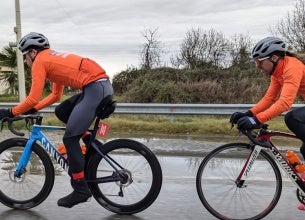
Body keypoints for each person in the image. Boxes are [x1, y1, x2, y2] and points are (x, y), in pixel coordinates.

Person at [0, 32, 114, 208]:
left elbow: (32, 97)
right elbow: (56, 95)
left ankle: (81, 189)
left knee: (69, 138)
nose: (25, 61)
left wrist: (10, 112)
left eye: (25, 56)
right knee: (62, 111)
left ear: (32, 52)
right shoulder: (50, 59)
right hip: (98, 86)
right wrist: (34, 109)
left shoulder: (40, 61)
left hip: (95, 88)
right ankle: (91, 145)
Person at [230, 36, 305, 210]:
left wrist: (256, 120)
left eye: (259, 62)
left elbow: (285, 103)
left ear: (274, 58)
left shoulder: (292, 67)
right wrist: (248, 113)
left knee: (292, 117)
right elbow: (270, 98)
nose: (258, 67)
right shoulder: (277, 72)